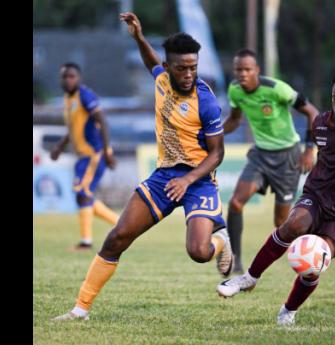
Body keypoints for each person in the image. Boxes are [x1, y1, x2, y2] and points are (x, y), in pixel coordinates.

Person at [53, 12, 232, 321]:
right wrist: (138, 37)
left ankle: (220, 241)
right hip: (164, 176)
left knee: (198, 253)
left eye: (193, 67)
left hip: (198, 178)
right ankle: (80, 309)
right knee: (117, 238)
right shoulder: (162, 77)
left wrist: (188, 180)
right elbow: (151, 60)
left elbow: (217, 154)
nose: (189, 74)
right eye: (182, 68)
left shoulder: (207, 102)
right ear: (169, 67)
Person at [217, 69, 335, 326]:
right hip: (316, 195)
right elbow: (318, 149)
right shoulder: (321, 123)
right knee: (293, 225)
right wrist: (308, 152)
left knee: (315, 257)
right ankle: (249, 278)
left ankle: (288, 311)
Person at [223, 48, 319, 273]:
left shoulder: (278, 89)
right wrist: (212, 133)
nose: (242, 74)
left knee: (281, 224)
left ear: (257, 70)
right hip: (260, 155)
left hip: (288, 157)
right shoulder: (235, 90)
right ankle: (234, 260)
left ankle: (313, 250)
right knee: (236, 202)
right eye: (238, 69)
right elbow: (235, 120)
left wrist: (309, 150)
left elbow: (313, 112)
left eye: (247, 69)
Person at [51, 63, 119, 251]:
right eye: (65, 77)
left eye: (72, 76)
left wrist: (106, 151)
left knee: (83, 194)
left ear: (78, 78)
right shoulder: (68, 99)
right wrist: (59, 147)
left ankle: (86, 242)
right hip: (83, 156)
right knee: (83, 195)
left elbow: (102, 121)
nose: (68, 80)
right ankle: (123, 224)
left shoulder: (85, 96)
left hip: (94, 154)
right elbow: (73, 129)